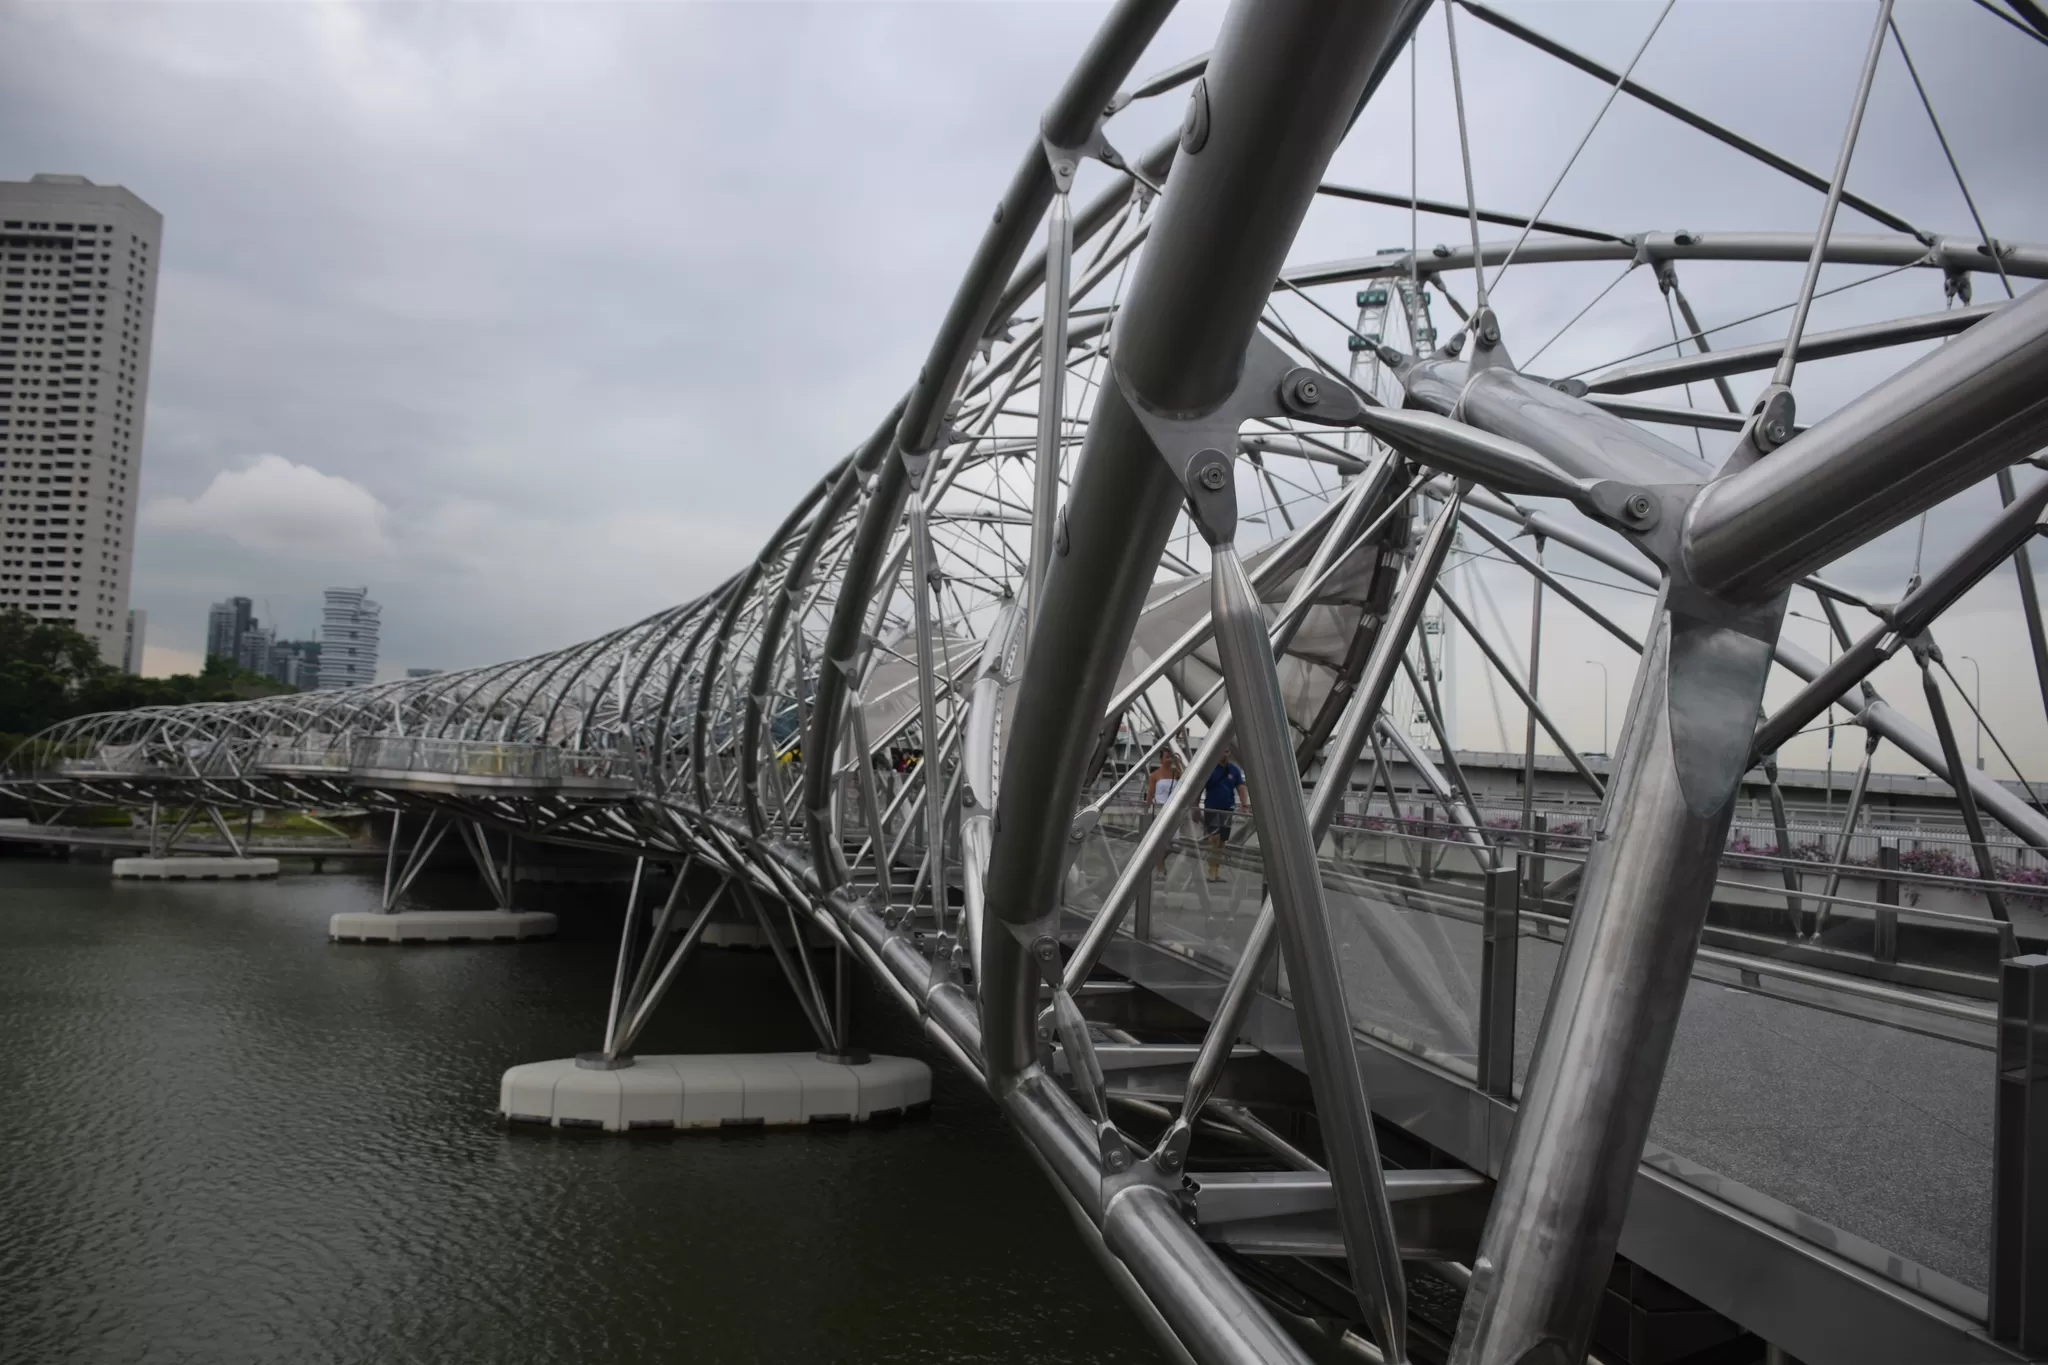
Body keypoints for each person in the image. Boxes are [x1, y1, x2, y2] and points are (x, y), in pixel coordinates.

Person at [1201, 749, 1248, 882]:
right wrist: (1195, 808)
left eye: (1227, 752)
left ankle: (1215, 870)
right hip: (1212, 807)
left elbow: (1241, 788)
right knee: (1214, 838)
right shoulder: (1210, 769)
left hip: (1227, 809)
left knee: (1222, 841)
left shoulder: (1234, 770)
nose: (1224, 754)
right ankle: (1212, 870)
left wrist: (1244, 805)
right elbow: (1200, 786)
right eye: (1222, 751)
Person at [1144, 750, 1184, 877]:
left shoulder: (1176, 773)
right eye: (1167, 757)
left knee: (1175, 843)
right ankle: (1160, 868)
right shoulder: (1155, 775)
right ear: (1161, 759)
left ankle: (1157, 861)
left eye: (1170, 757)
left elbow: (1186, 779)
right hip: (1159, 810)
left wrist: (1179, 762)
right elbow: (1150, 794)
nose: (1169, 759)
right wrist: (1146, 809)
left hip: (1173, 810)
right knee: (1159, 841)